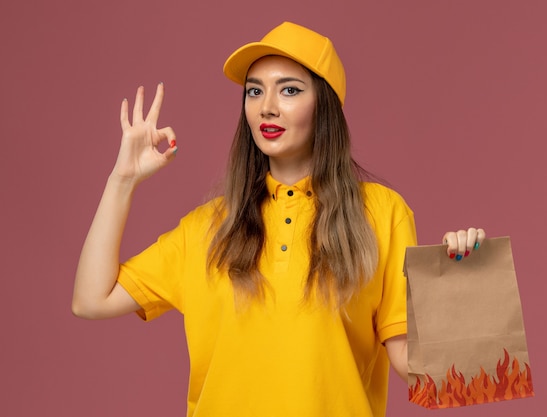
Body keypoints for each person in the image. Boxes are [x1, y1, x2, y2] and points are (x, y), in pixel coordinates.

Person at [72, 22, 485, 417]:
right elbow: (91, 300)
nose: (267, 106)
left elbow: (415, 365)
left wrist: (461, 285)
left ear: (324, 105)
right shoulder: (206, 227)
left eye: (289, 90)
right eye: (255, 91)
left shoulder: (381, 213)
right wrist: (122, 180)